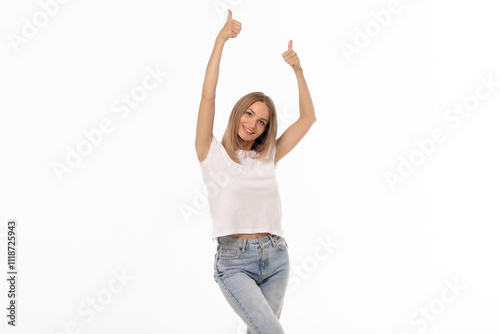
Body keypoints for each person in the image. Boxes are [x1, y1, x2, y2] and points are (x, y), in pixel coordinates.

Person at [195, 9, 316, 334]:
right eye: (249, 114)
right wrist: (220, 40)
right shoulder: (211, 154)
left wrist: (298, 70)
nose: (253, 124)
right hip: (234, 262)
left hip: (276, 257)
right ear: (238, 114)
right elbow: (208, 96)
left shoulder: (268, 155)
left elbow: (307, 119)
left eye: (261, 121)